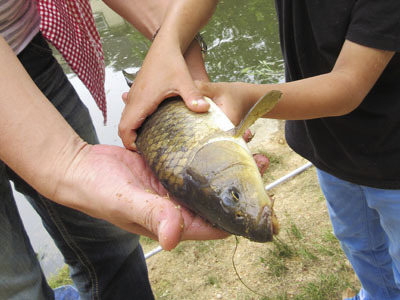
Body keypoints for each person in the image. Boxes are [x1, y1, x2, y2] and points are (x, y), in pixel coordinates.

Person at [121, 1, 400, 299]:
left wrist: (245, 97)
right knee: (357, 241)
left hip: (392, 157)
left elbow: (347, 86)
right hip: (329, 151)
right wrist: (167, 47)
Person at [0, 0, 228, 299]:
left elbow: (169, 27)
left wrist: (172, 38)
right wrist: (68, 161)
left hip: (27, 51)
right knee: (16, 285)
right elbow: (66, 162)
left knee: (110, 237)